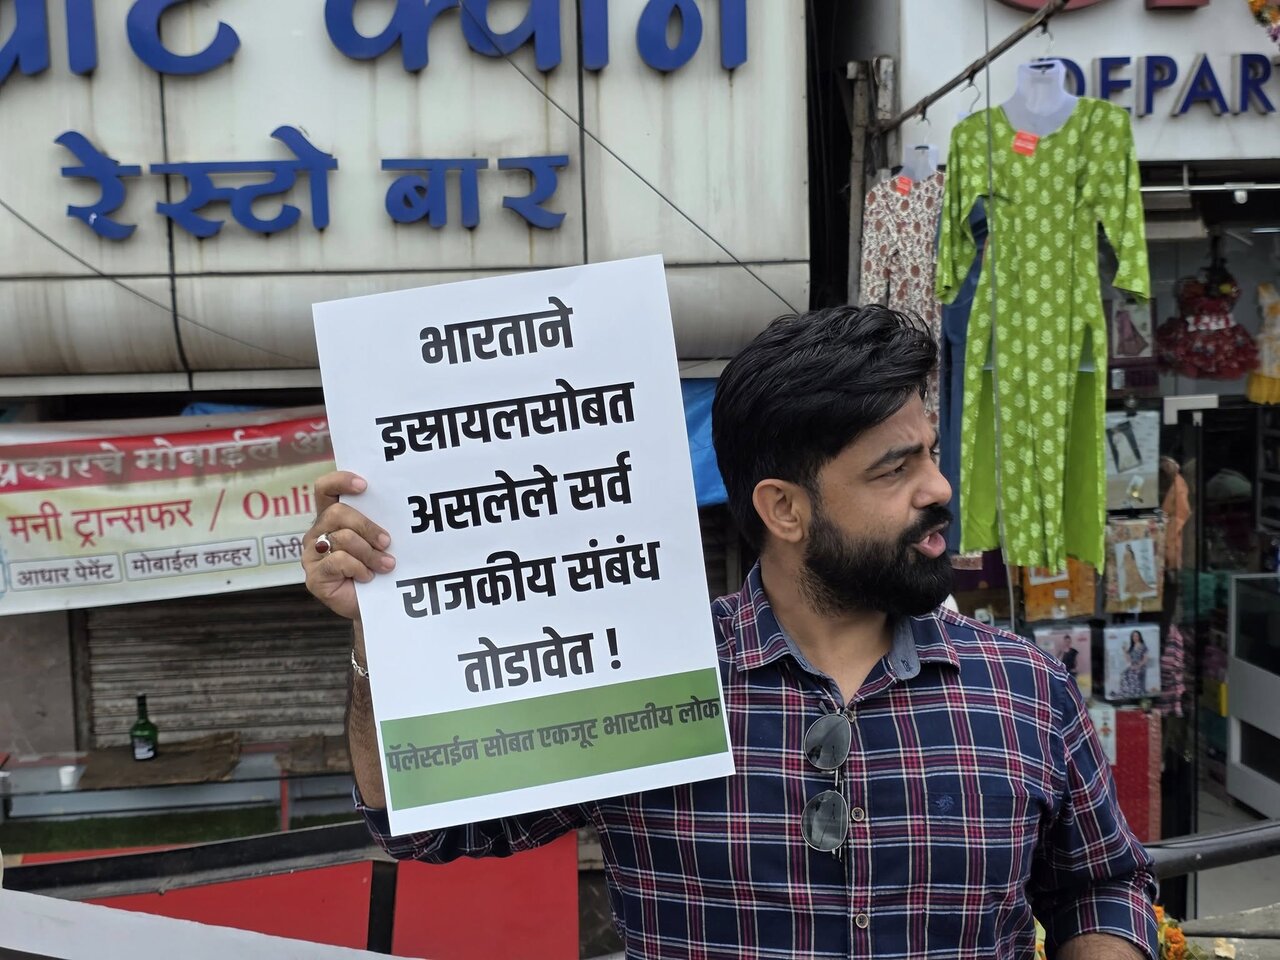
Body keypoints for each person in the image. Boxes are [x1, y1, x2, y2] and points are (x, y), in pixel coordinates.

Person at [304, 305, 1157, 959]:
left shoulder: (1023, 688)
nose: (937, 488)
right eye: (894, 469)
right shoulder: (648, 680)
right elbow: (425, 829)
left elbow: (1103, 886)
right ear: (784, 509)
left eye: (929, 453)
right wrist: (380, 635)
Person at [1119, 631, 1151, 699]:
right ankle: (1127, 692)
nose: (1135, 637)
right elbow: (1128, 660)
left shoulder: (1143, 646)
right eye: (1133, 636)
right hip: (1132, 666)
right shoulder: (1132, 647)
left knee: (1132, 674)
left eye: (1136, 636)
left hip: (1141, 666)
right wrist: (1124, 651)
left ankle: (1135, 691)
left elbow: (1145, 659)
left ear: (1139, 637)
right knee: (1123, 674)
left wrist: (1138, 666)